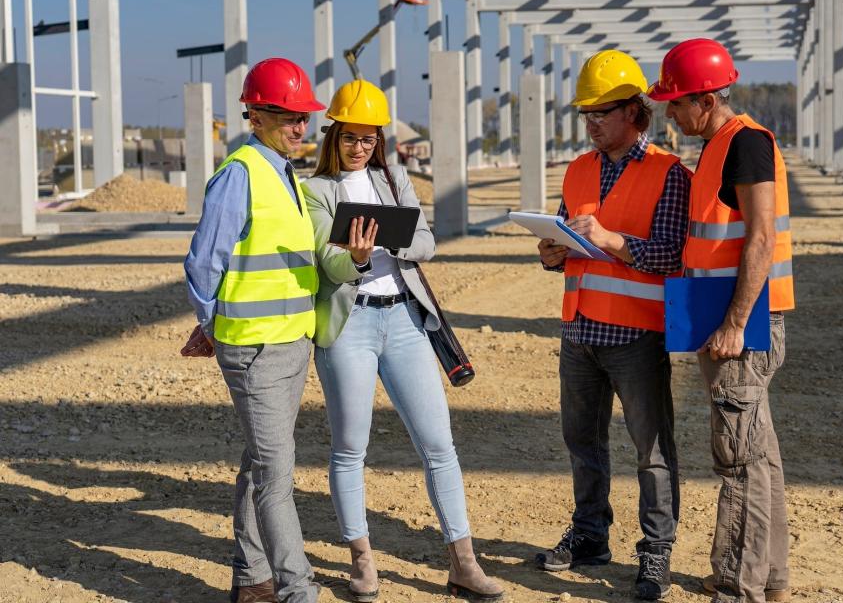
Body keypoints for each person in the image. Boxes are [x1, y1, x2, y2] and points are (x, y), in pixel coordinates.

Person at [300, 79, 504, 603]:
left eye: (369, 139)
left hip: (405, 323)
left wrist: (390, 239)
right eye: (351, 138)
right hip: (351, 327)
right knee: (350, 449)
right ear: (333, 135)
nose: (360, 147)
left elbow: (428, 244)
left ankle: (463, 560)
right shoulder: (317, 190)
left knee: (439, 445)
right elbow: (330, 262)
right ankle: (362, 560)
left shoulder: (395, 181)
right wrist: (361, 258)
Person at [535, 50, 690, 600]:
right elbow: (570, 243)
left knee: (651, 451)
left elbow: (673, 255)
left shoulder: (670, 174)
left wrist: (612, 242)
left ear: (635, 112)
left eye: (602, 111)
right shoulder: (577, 169)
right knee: (582, 442)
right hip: (580, 331)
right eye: (586, 113)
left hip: (636, 336)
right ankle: (590, 536)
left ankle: (655, 554)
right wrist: (553, 254)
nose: (592, 121)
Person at [647, 38, 794, 603]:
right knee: (759, 455)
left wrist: (734, 323)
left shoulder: (746, 144)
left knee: (738, 459)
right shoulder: (716, 146)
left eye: (676, 103)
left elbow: (759, 237)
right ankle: (770, 576)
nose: (669, 113)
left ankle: (738, 583)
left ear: (705, 99)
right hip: (722, 320)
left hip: (740, 326)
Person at [181, 57, 326, 603]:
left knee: (260, 461)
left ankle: (252, 578)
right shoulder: (239, 174)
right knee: (275, 474)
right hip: (255, 348)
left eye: (303, 117)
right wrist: (212, 325)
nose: (300, 127)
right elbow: (202, 264)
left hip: (292, 341)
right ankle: (297, 589)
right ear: (257, 114)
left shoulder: (285, 172)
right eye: (289, 117)